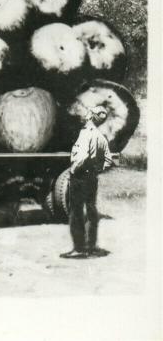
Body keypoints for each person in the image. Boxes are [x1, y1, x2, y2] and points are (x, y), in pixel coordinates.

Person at [60, 106, 112, 259]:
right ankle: (91, 246)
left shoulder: (85, 134)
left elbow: (82, 157)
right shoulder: (101, 137)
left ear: (91, 116)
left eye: (88, 112)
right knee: (91, 210)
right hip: (92, 177)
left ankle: (79, 248)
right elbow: (108, 160)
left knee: (76, 212)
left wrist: (74, 170)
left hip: (80, 176)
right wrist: (97, 170)